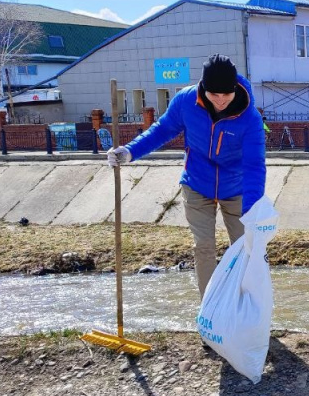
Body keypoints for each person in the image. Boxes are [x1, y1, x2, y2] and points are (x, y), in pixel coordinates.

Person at [106, 54, 266, 298]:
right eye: (214, 94)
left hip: (237, 187)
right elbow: (162, 129)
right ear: (203, 88)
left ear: (235, 89)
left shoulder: (250, 118)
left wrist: (252, 211)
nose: (221, 100)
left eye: (226, 94)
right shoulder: (185, 101)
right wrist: (130, 152)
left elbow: (254, 166)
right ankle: (210, 311)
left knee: (247, 247)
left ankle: (247, 309)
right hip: (197, 183)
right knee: (204, 247)